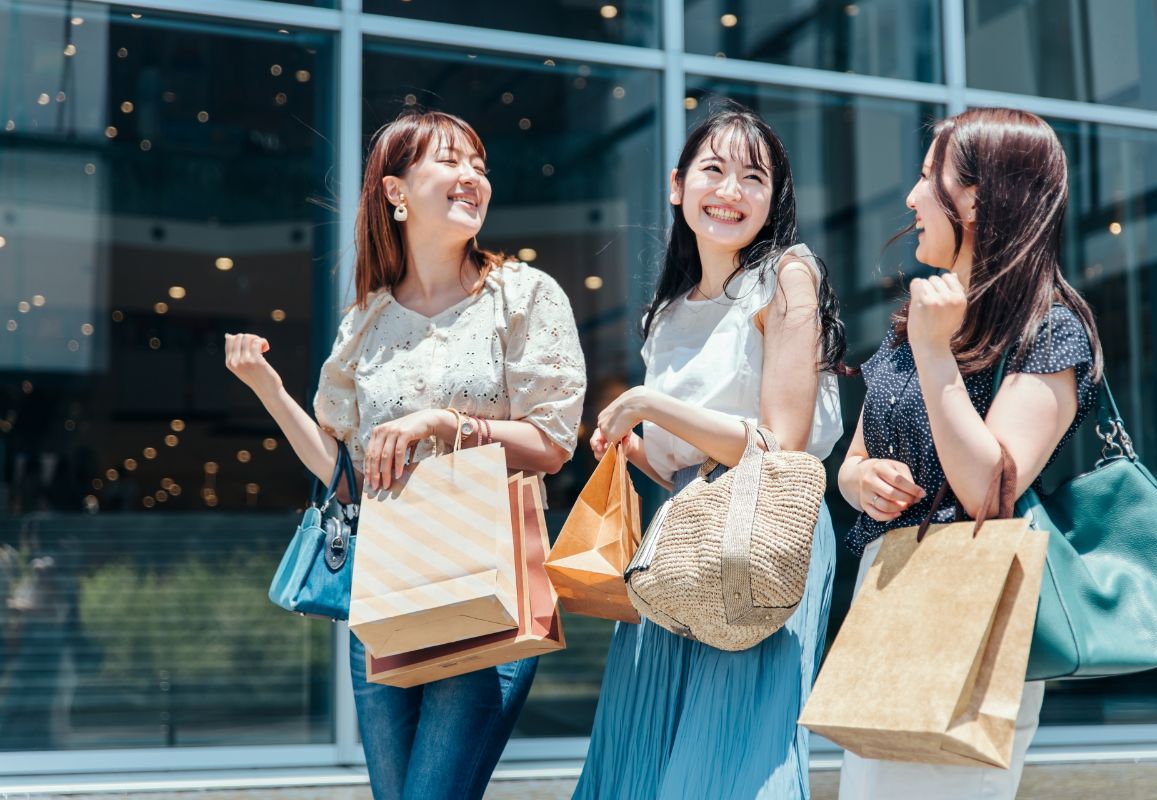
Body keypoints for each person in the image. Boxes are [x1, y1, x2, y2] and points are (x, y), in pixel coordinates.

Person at [224, 108, 586, 800]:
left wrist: (441, 423)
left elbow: (551, 443)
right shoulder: (367, 319)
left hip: (491, 590)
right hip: (387, 594)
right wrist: (265, 387)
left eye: (479, 165)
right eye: (450, 161)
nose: (471, 177)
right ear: (395, 192)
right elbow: (346, 473)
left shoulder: (522, 297)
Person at [574, 101, 846, 799]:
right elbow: (679, 463)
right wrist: (633, 447)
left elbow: (779, 444)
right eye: (713, 170)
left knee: (729, 758)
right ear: (677, 185)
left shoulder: (787, 275)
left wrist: (647, 404)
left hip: (761, 529)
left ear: (774, 198)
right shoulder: (664, 312)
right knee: (645, 751)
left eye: (752, 178)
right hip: (681, 531)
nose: (730, 192)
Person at [836, 108, 1103, 799]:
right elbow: (853, 457)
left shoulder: (1048, 331)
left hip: (968, 611)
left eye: (929, 177)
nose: (911, 198)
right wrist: (863, 479)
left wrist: (934, 353)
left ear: (977, 199)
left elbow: (991, 490)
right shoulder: (916, 321)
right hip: (887, 597)